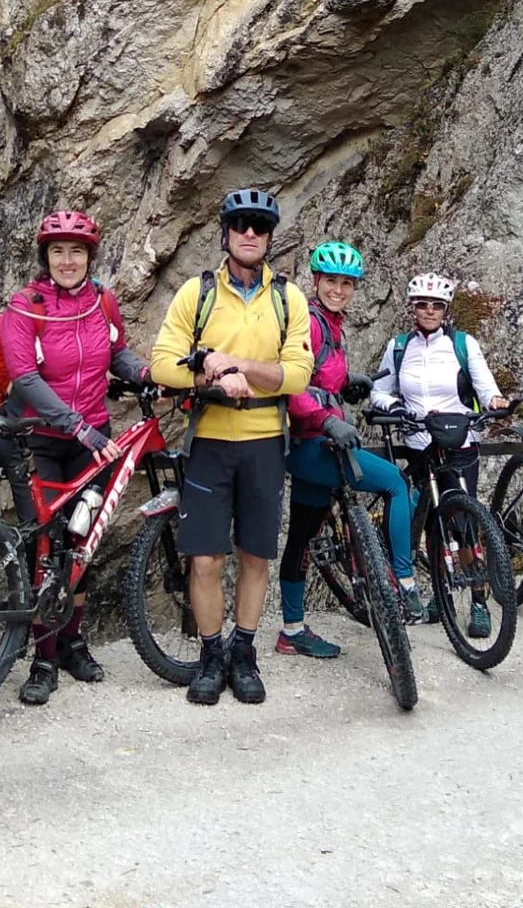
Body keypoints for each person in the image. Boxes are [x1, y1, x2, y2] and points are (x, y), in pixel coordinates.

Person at [150, 188, 312, 706]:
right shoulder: (196, 293)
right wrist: (210, 368)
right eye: (240, 223)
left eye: (259, 226)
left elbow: (298, 375)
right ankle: (211, 655)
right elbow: (162, 364)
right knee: (205, 560)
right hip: (210, 441)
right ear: (225, 232)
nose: (249, 233)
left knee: (255, 556)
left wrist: (237, 363)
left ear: (269, 238)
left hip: (265, 441)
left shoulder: (288, 298)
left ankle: (244, 653)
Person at [0, 210, 152, 707]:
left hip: (91, 439)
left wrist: (146, 374)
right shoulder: (26, 305)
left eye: (77, 251)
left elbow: (116, 354)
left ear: (90, 257)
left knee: (82, 542)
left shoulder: (102, 301)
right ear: (45, 257)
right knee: (48, 546)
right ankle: (42, 658)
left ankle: (71, 642)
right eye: (58, 251)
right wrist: (76, 426)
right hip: (42, 439)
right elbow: (25, 378)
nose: (67, 261)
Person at [275, 240, 425, 657]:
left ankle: (291, 630)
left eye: (347, 284)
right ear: (316, 280)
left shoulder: (330, 324)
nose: (338, 290)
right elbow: (292, 384)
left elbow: (319, 378)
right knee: (396, 484)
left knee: (301, 538)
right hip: (315, 443)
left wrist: (347, 381)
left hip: (309, 445)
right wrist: (327, 420)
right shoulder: (310, 323)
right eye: (331, 281)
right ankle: (405, 582)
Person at [369, 272, 509, 638]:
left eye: (436, 305)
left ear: (446, 309)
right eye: (422, 304)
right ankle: (441, 593)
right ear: (413, 308)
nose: (429, 310)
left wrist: (494, 400)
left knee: (464, 523)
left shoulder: (463, 344)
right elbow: (378, 391)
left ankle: (478, 601)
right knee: (433, 524)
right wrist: (395, 406)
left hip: (460, 443)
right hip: (419, 445)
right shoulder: (399, 347)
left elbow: (485, 385)